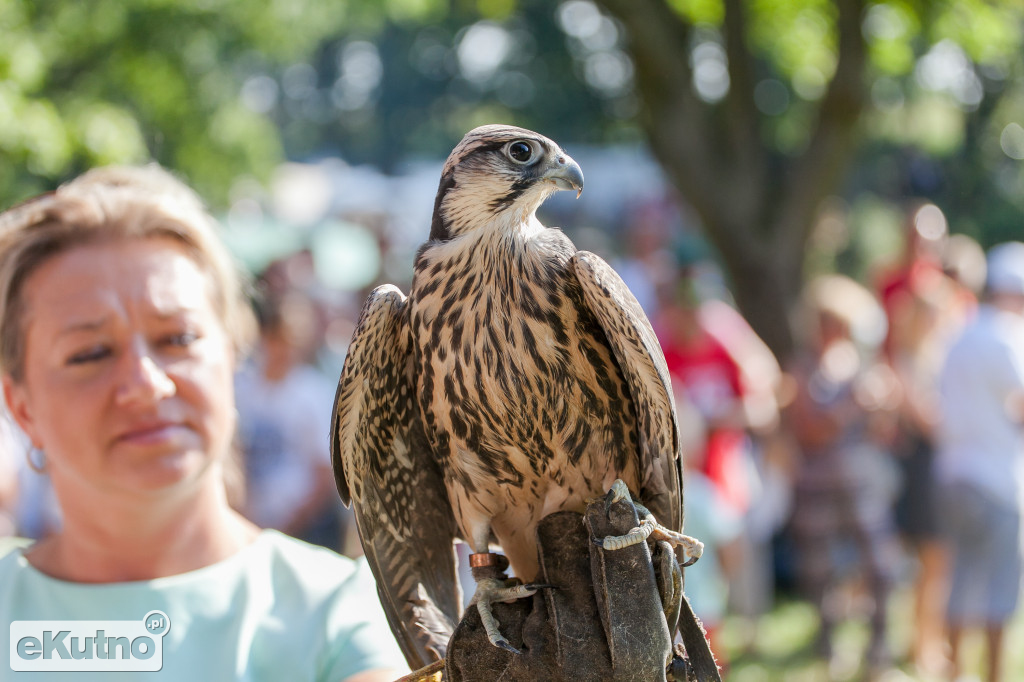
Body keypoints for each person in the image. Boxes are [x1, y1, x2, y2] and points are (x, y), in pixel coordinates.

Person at [0, 165, 407, 681]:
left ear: (234, 352)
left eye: (178, 339)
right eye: (91, 353)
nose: (147, 384)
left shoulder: (341, 614)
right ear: (21, 407)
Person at [784, 275, 902, 676]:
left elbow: (883, 432)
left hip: (862, 486)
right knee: (821, 573)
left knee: (882, 567)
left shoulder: (863, 367)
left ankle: (879, 651)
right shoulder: (801, 369)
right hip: (817, 488)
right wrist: (852, 407)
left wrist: (884, 406)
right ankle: (829, 649)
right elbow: (809, 431)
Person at [935, 241, 1024, 682]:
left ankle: (953, 673)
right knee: (998, 591)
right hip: (997, 478)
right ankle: (993, 676)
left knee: (960, 581)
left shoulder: (959, 334)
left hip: (953, 474)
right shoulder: (1007, 335)